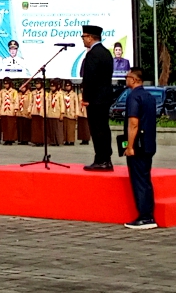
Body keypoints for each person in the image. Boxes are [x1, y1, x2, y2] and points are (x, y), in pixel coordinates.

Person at [122, 68, 157, 229]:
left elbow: (133, 123)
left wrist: (129, 146)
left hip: (138, 145)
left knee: (139, 181)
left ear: (134, 79)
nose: (125, 79)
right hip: (149, 143)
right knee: (146, 180)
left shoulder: (133, 97)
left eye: (127, 76)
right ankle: (149, 213)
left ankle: (145, 217)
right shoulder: (149, 96)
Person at [80, 24, 115, 171]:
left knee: (97, 129)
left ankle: (101, 159)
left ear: (90, 37)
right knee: (103, 128)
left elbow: (90, 78)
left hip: (95, 99)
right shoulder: (106, 52)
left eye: (84, 37)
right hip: (104, 97)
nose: (83, 40)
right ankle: (105, 158)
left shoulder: (93, 54)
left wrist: (85, 97)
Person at [0, 78, 18, 145]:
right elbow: (0, 100)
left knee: (11, 126)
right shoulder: (2, 91)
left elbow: (16, 101)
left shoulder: (14, 91)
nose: (6, 85)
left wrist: (16, 109)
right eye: (5, 84)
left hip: (11, 109)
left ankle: (11, 139)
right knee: (5, 126)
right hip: (3, 109)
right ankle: (6, 139)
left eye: (7, 84)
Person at [46, 79, 64, 147]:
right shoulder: (49, 94)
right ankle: (51, 141)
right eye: (51, 86)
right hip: (50, 113)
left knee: (57, 128)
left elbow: (62, 104)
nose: (52, 88)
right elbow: (47, 104)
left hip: (57, 113)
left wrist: (62, 113)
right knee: (51, 128)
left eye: (53, 86)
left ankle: (57, 141)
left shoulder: (59, 94)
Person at [62, 80, 77, 146]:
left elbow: (76, 104)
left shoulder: (74, 94)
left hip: (71, 113)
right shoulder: (64, 94)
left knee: (71, 128)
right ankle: (66, 140)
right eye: (66, 86)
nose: (67, 87)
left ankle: (71, 140)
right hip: (65, 113)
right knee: (65, 128)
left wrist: (76, 113)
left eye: (68, 86)